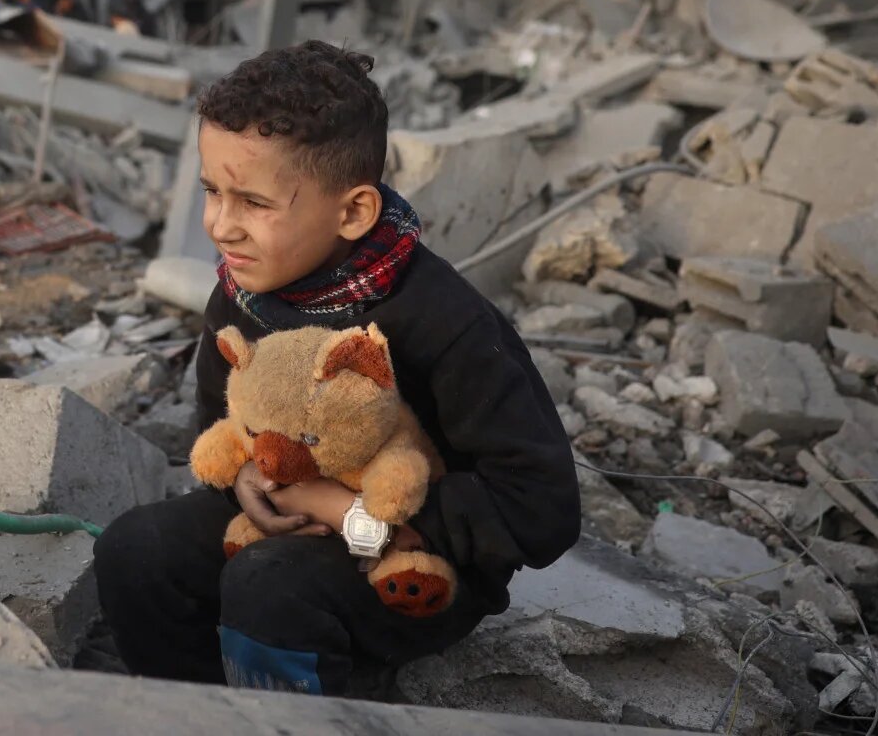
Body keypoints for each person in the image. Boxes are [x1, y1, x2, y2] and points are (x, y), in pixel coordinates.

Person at [94, 40, 580, 697]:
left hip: (416, 564)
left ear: (352, 211)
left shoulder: (446, 322)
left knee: (267, 587)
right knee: (137, 551)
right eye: (213, 191)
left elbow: (541, 509)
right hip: (278, 522)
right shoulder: (242, 298)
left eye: (254, 204)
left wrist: (348, 508)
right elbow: (220, 428)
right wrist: (243, 483)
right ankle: (197, 709)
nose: (221, 226)